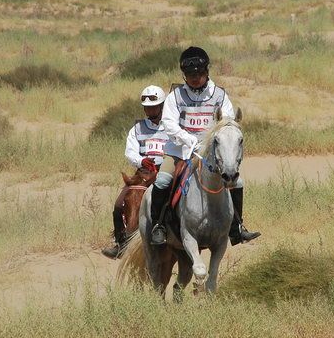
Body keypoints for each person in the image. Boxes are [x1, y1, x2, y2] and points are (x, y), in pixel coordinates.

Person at [148, 46, 260, 247]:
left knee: (238, 182)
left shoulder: (219, 95)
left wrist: (210, 142)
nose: (194, 78)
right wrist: (187, 139)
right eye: (190, 75)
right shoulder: (175, 95)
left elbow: (227, 122)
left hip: (210, 152)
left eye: (198, 74)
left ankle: (236, 228)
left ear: (207, 72)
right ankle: (159, 226)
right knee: (163, 179)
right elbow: (168, 123)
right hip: (180, 151)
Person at [101, 85, 169, 259]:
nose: (149, 110)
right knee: (118, 205)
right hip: (142, 173)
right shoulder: (137, 129)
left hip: (165, 170)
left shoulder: (171, 126)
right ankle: (121, 244)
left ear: (161, 106)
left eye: (153, 107)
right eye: (147, 107)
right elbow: (130, 152)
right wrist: (141, 161)